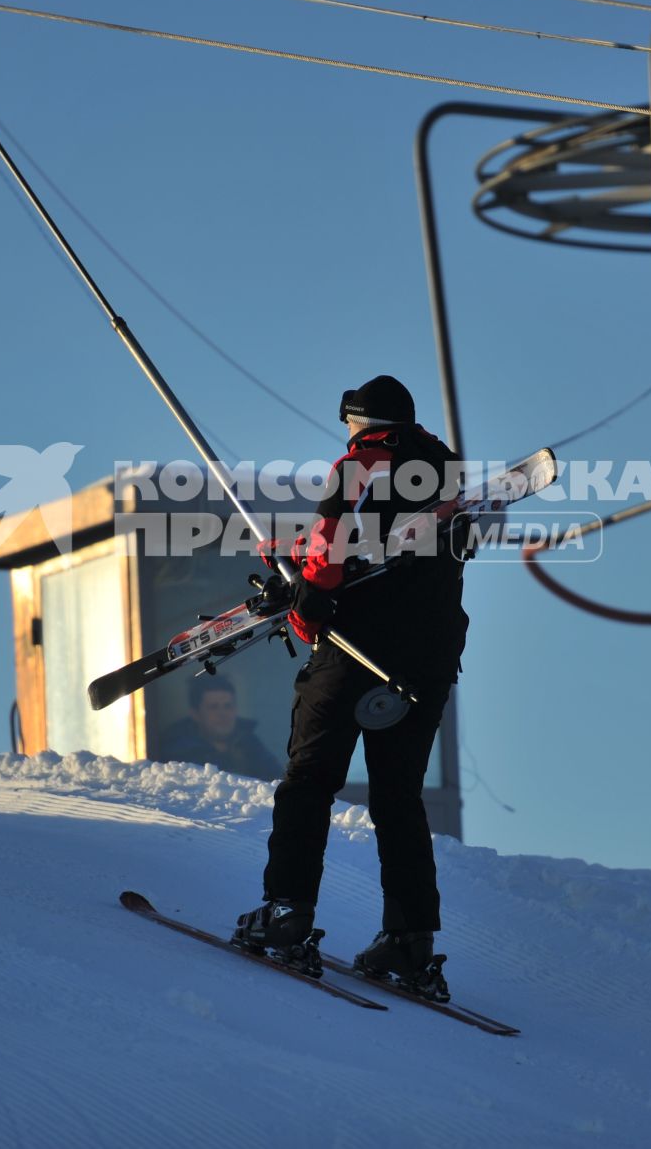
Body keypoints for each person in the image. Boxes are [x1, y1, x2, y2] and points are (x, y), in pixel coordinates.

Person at [231, 374, 468, 1002]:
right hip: (430, 659)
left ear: (359, 422)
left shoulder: (361, 463)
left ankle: (286, 912)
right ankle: (410, 940)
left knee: (309, 780)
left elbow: (334, 549)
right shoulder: (447, 475)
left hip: (354, 648)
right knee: (398, 796)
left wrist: (307, 605)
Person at [154, 678, 282, 781]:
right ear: (195, 714)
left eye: (228, 706)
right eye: (213, 707)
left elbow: (277, 781)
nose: (222, 714)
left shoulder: (249, 743)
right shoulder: (178, 754)